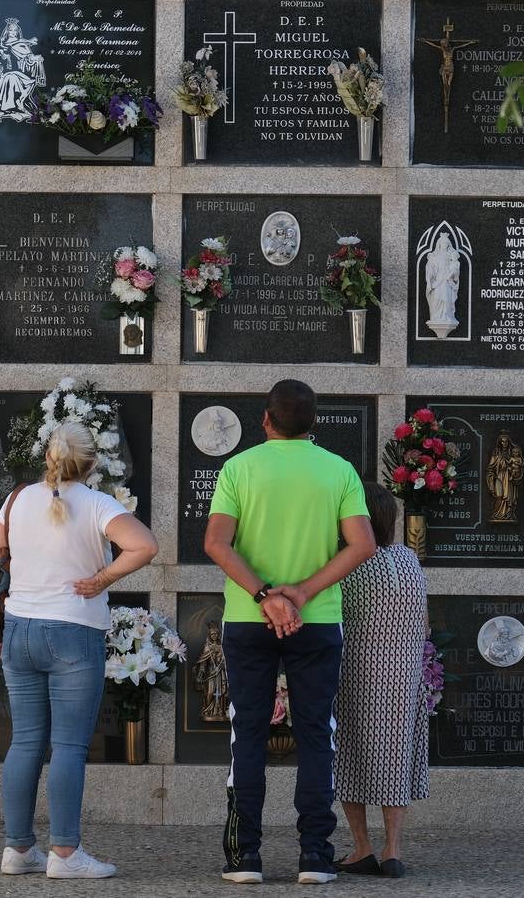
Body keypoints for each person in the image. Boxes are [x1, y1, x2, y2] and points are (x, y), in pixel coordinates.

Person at [203, 379, 377, 886]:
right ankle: (316, 857)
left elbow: (216, 543)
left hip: (247, 619)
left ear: (265, 419)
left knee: (248, 735)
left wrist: (266, 596)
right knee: (316, 736)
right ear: (313, 423)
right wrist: (301, 592)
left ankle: (244, 858)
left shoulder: (239, 468)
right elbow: (362, 544)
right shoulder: (339, 470)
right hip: (317, 620)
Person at [0, 421, 157, 880]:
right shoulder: (99, 504)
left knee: (24, 742)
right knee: (69, 746)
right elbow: (145, 546)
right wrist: (101, 579)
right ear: (93, 463)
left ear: (47, 459)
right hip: (74, 632)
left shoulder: (16, 500)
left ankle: (17, 849)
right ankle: (65, 853)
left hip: (19, 628)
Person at [332, 482, 429, 879]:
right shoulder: (409, 559)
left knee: (351, 758)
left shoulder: (347, 563)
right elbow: (424, 626)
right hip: (405, 677)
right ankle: (393, 849)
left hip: (357, 672)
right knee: (395, 757)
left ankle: (361, 847)